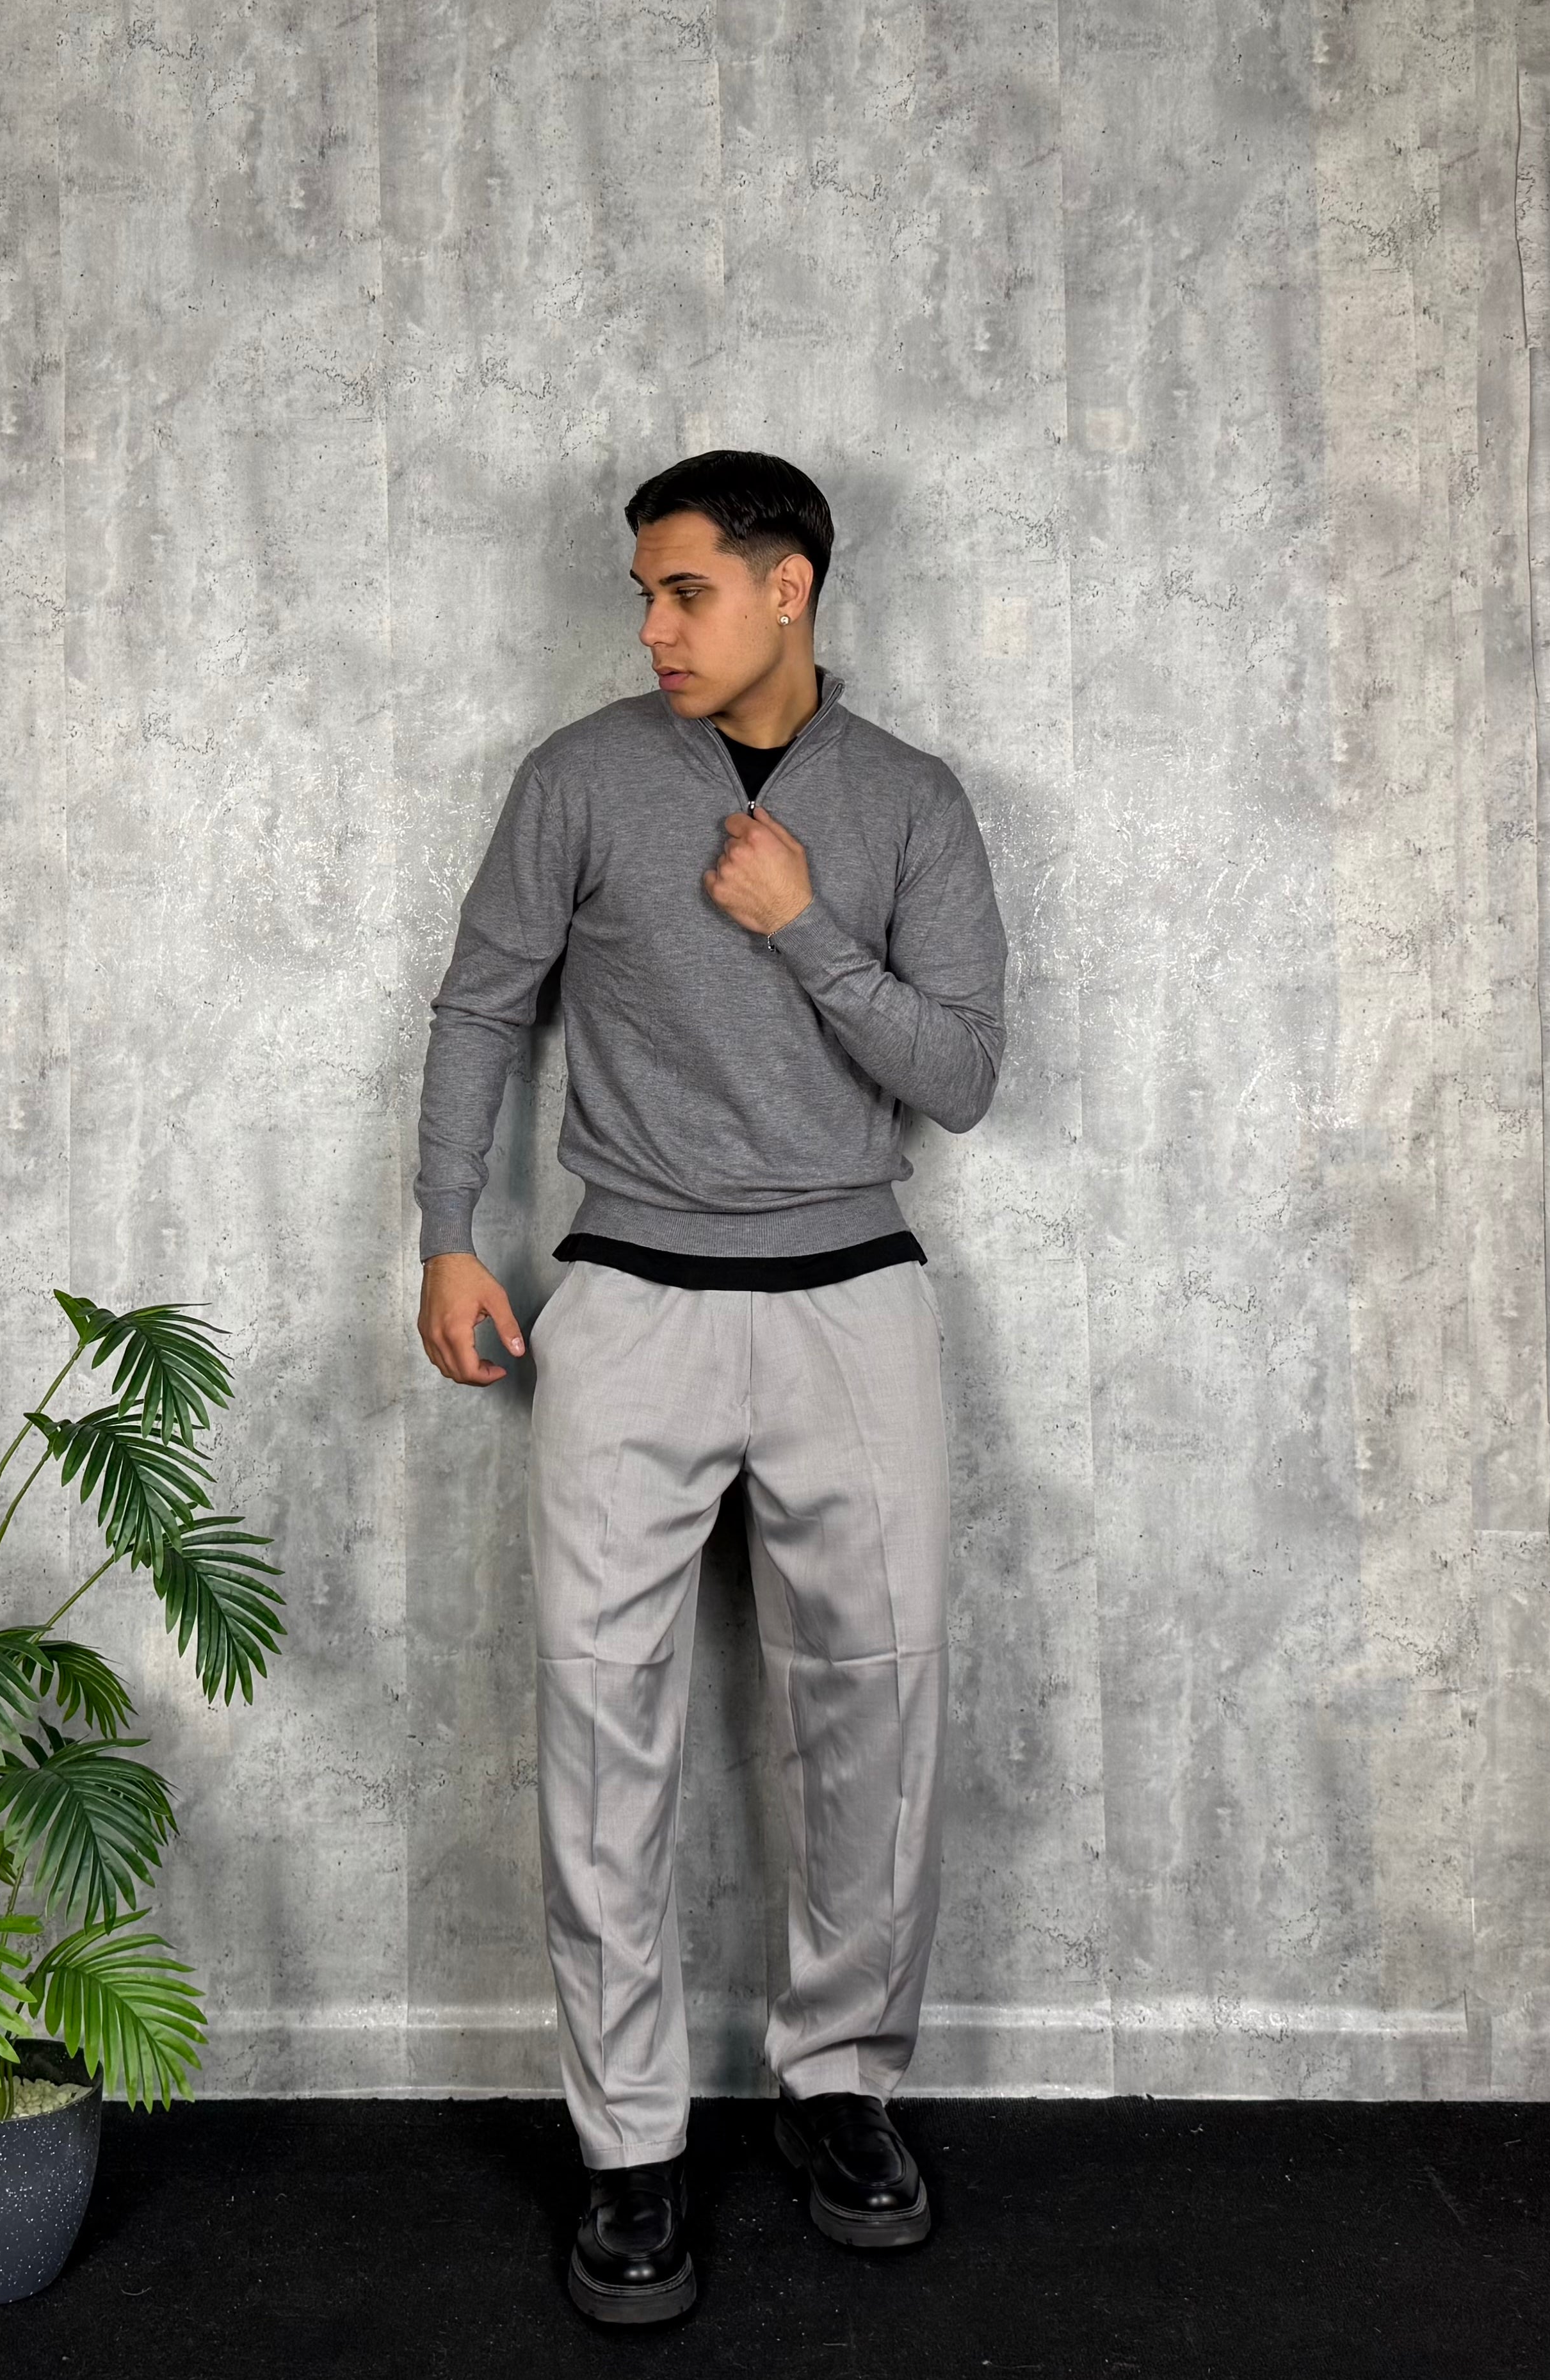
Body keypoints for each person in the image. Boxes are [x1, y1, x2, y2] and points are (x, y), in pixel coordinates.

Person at [411, 449, 1008, 2325]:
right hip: (626, 1299)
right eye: (643, 597)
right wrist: (447, 1233)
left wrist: (802, 925)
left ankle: (844, 2089)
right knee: (605, 1723)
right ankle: (628, 2145)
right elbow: (482, 1002)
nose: (655, 630)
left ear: (787, 587)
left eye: (686, 592)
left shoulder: (910, 801)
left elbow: (962, 1073)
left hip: (854, 1301)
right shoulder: (580, 778)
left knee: (878, 1707)